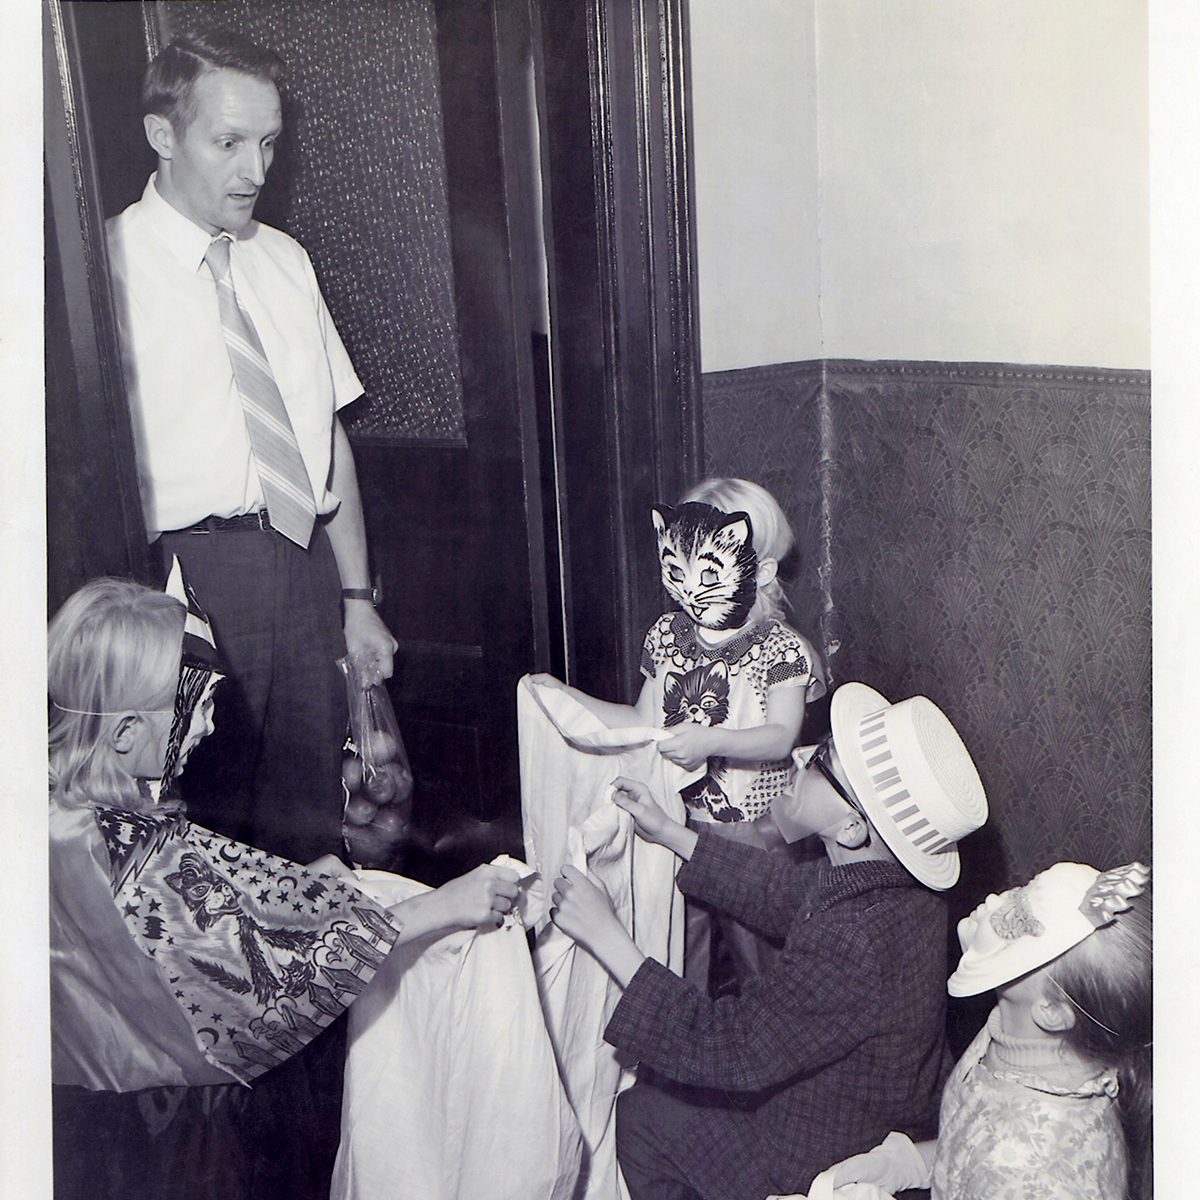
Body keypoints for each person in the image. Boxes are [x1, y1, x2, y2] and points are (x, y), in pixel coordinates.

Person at [48, 574, 519, 1200]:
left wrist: (294, 887)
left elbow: (207, 908)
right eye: (195, 707)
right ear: (127, 734)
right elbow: (267, 975)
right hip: (168, 1140)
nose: (211, 724)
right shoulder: (133, 851)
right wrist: (443, 904)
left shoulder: (67, 816)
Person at [106, 29, 395, 865]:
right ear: (163, 135)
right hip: (185, 579)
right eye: (227, 142)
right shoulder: (105, 273)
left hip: (301, 567)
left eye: (267, 142)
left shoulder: (284, 261)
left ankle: (319, 995)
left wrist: (356, 596)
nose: (255, 169)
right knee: (201, 835)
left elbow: (325, 438)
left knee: (309, 825)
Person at [549, 681, 989, 1200]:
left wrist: (607, 935)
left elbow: (726, 1047)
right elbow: (780, 891)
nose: (802, 754)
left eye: (824, 759)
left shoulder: (854, 941)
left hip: (822, 1155)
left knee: (641, 1116)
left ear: (851, 828)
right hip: (871, 1111)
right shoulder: (895, 888)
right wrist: (671, 832)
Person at [536, 477, 825, 985]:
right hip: (675, 824)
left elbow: (780, 736)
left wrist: (711, 740)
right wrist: (564, 696)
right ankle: (679, 1052)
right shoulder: (667, 636)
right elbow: (643, 721)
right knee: (677, 953)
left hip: (753, 834)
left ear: (760, 571)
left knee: (763, 963)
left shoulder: (780, 649)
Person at [825, 860, 1152, 1200]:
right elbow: (981, 1143)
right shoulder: (1016, 1031)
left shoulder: (1040, 1178)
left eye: (1020, 919)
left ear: (1053, 1011)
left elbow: (1007, 1165)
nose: (995, 900)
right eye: (1021, 892)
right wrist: (911, 1163)